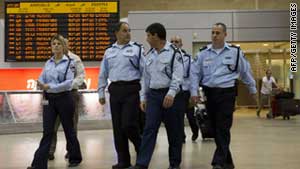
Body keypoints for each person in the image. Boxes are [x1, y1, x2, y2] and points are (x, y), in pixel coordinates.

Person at [190, 23, 257, 169]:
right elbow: (195, 73)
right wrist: (194, 92)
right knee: (214, 128)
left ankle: (218, 162)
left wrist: (252, 89)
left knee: (223, 127)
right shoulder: (203, 53)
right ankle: (228, 162)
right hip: (209, 93)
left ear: (225, 34)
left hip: (227, 94)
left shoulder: (235, 52)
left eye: (218, 33)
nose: (214, 35)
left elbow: (245, 72)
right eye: (213, 32)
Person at [130, 23, 184, 169]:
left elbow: (178, 76)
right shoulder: (149, 55)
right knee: (149, 129)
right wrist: (143, 98)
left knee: (174, 131)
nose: (147, 39)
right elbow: (145, 79)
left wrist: (171, 93)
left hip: (170, 96)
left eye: (148, 35)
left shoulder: (174, 53)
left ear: (156, 36)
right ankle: (142, 163)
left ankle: (174, 164)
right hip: (153, 96)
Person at [27, 34, 82, 169]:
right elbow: (42, 76)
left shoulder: (70, 63)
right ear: (51, 47)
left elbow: (68, 83)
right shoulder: (48, 62)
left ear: (63, 47)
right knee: (48, 131)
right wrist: (41, 83)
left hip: (64, 98)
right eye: (53, 44)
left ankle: (75, 157)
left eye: (58, 43)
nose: (56, 46)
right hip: (50, 100)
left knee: (69, 129)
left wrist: (50, 86)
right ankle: (38, 164)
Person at [98, 22, 144, 169]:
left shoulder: (137, 49)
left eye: (129, 31)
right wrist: (101, 92)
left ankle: (141, 147)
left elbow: (145, 74)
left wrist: (143, 96)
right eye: (124, 31)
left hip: (131, 90)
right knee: (118, 128)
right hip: (115, 90)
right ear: (116, 33)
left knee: (128, 124)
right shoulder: (109, 51)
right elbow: (103, 73)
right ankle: (123, 161)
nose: (128, 33)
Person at [48, 38, 86, 160]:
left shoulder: (75, 59)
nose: (59, 45)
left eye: (62, 43)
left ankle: (71, 151)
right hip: (54, 96)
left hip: (70, 95)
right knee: (52, 126)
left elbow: (81, 76)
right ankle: (50, 151)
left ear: (67, 45)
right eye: (56, 43)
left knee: (71, 126)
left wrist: (68, 85)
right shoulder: (52, 60)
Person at [170, 35, 199, 143]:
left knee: (190, 116)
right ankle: (181, 136)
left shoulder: (188, 59)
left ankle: (195, 131)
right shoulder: (167, 58)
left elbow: (192, 77)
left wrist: (193, 94)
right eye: (172, 41)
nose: (174, 43)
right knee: (178, 116)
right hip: (175, 92)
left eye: (176, 41)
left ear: (181, 44)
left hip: (186, 92)